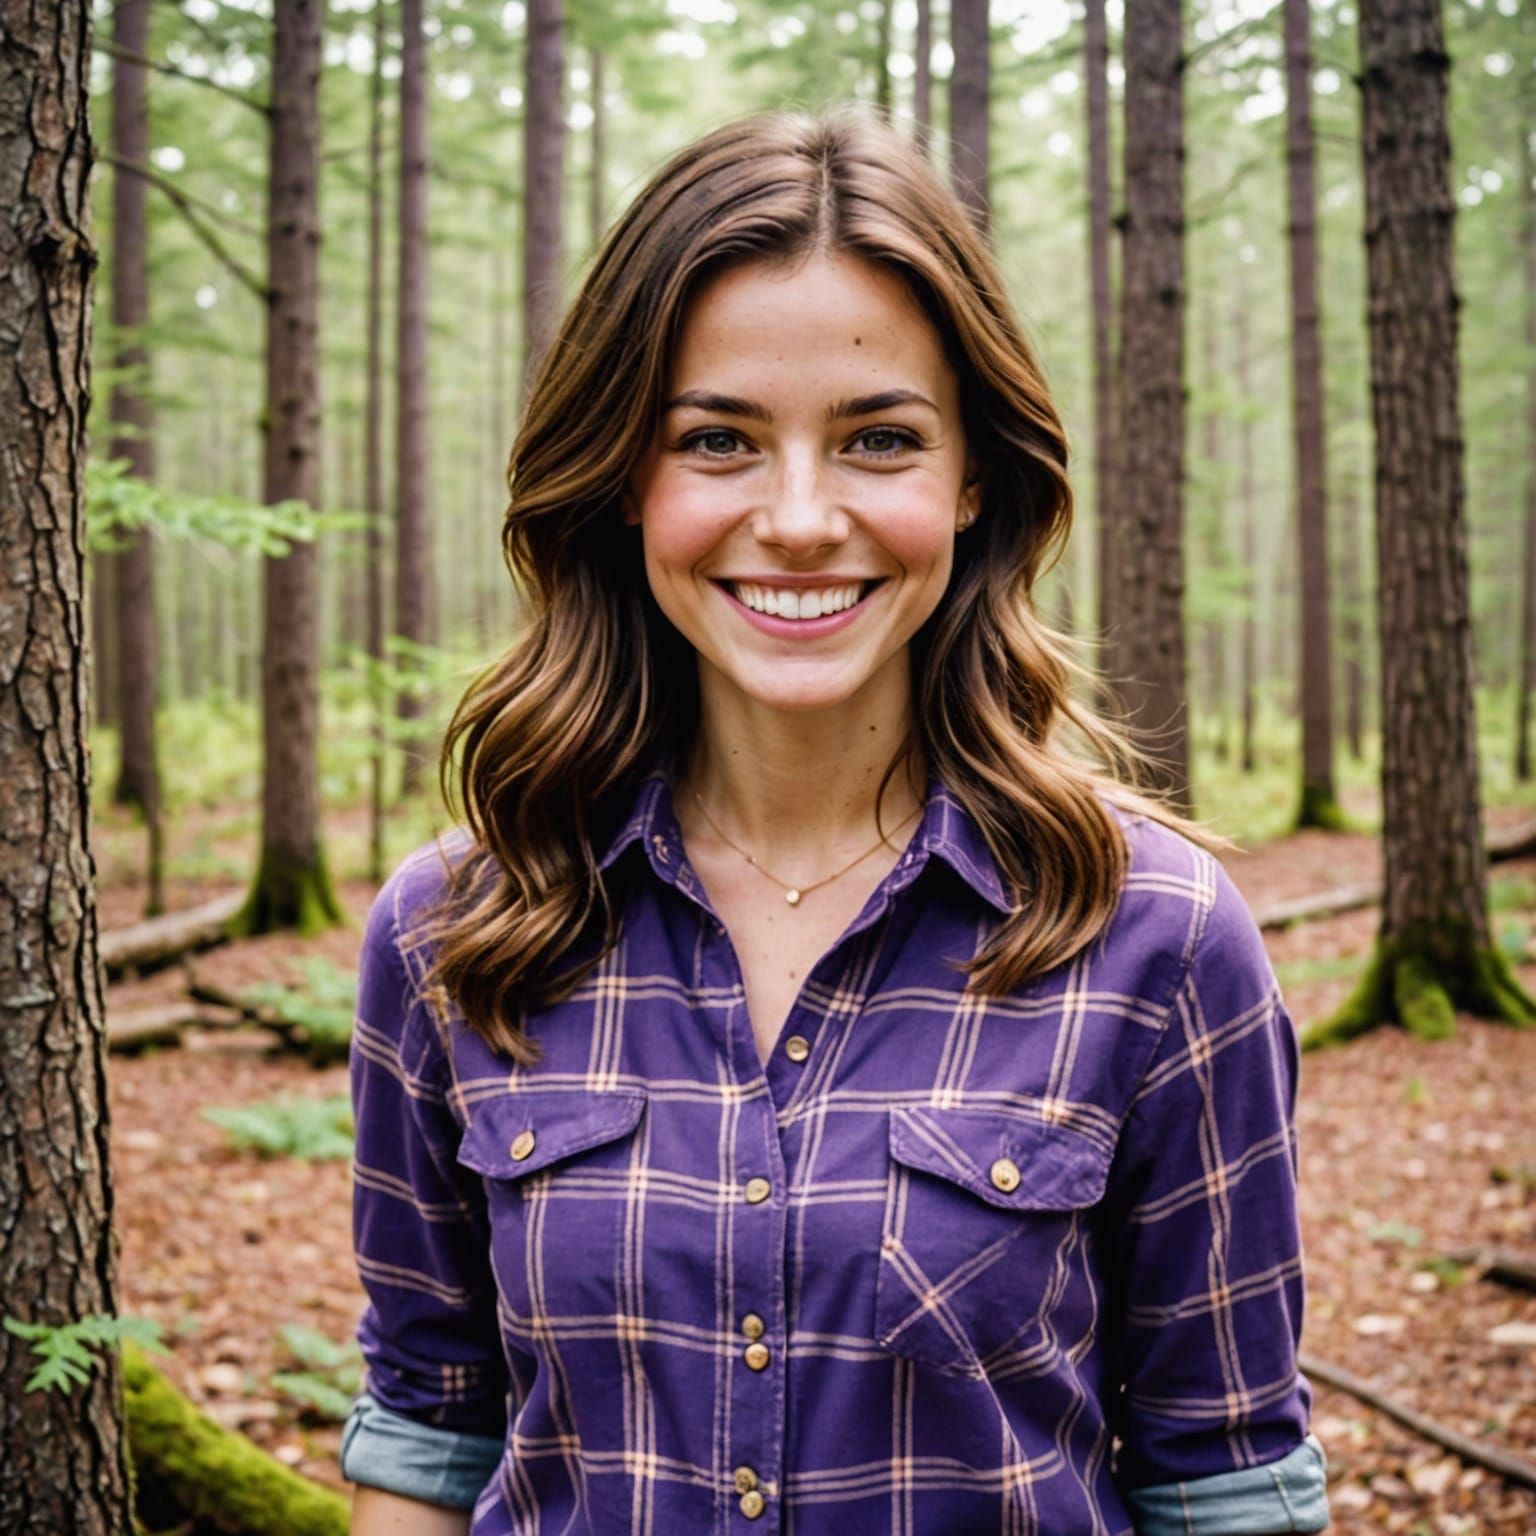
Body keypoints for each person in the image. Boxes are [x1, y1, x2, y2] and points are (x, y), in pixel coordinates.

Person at [340, 104, 1329, 1536]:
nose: (801, 518)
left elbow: (1227, 1485)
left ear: (972, 476)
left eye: (877, 438)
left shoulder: (1158, 939)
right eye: (719, 440)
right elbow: (429, 1438)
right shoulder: (458, 929)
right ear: (627, 477)